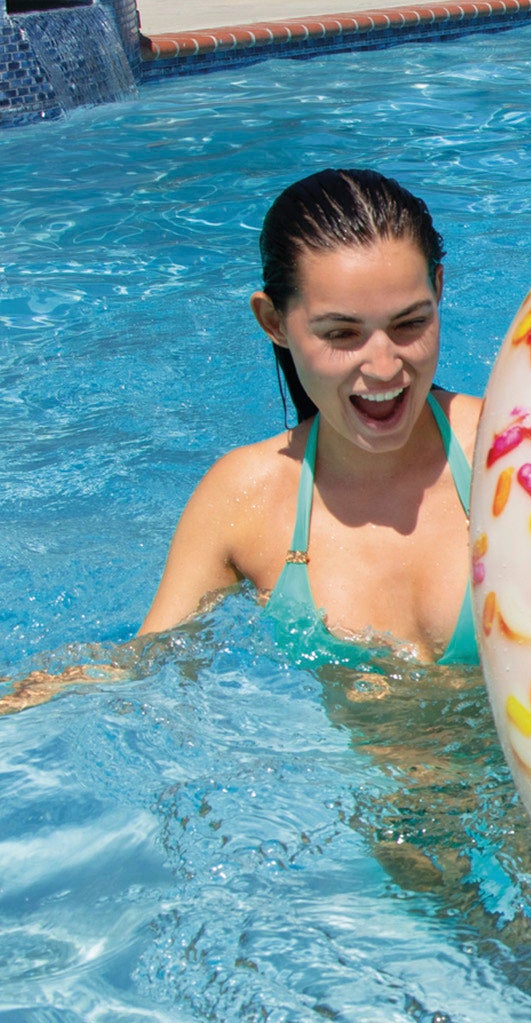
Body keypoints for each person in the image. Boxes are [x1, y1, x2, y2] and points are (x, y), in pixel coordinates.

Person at [139, 168, 481, 665]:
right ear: (273, 322)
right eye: (341, 334)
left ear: (440, 290)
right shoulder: (245, 500)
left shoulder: (509, 451)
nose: (384, 367)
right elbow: (142, 671)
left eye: (410, 323)